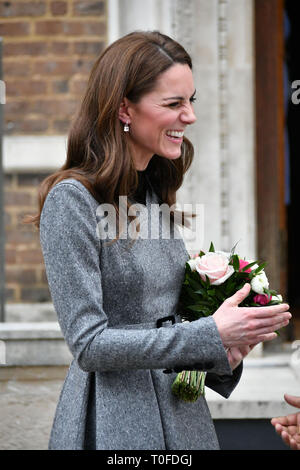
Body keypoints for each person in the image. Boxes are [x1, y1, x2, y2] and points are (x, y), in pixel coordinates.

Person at [29, 31, 291, 450]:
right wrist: (209, 334)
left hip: (183, 418)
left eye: (191, 101)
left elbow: (172, 330)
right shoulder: (72, 200)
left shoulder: (154, 196)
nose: (189, 116)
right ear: (123, 109)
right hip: (114, 422)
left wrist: (222, 356)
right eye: (173, 104)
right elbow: (89, 344)